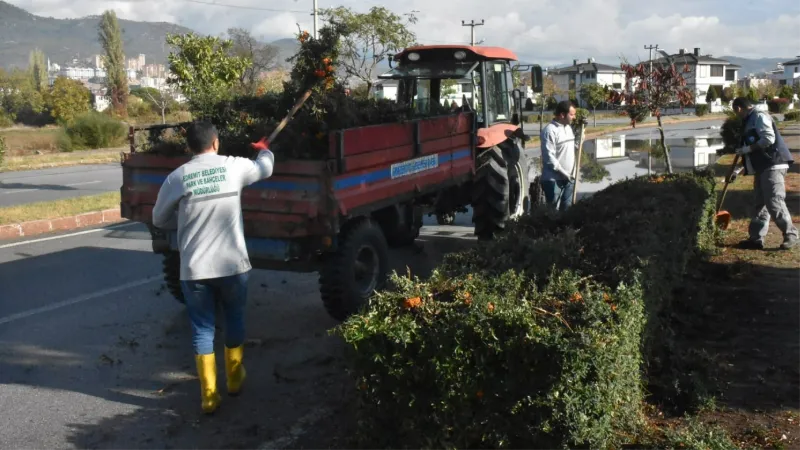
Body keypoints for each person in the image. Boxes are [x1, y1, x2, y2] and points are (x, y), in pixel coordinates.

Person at [152, 121, 275, 414]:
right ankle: (234, 379)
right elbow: (265, 169)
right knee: (234, 318)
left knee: (202, 329)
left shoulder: (177, 178)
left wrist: (182, 216)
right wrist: (264, 150)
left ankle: (208, 396)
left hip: (195, 270)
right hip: (233, 266)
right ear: (216, 142)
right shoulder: (234, 167)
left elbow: (158, 219)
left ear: (189, 147)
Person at [731, 97, 798, 250]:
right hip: (762, 167)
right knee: (759, 204)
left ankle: (791, 234)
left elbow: (768, 138)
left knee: (774, 201)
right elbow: (750, 150)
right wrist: (738, 170)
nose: (736, 114)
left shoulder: (759, 116)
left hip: (773, 164)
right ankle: (756, 239)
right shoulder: (748, 121)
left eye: (735, 111)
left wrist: (747, 149)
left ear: (739, 108)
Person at [540, 100, 578, 210]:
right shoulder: (549, 131)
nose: (574, 117)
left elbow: (571, 148)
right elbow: (549, 157)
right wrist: (563, 172)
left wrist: (580, 138)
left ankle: (565, 228)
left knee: (567, 210)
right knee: (553, 212)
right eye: (572, 115)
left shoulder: (568, 128)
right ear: (562, 115)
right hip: (553, 179)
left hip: (569, 178)